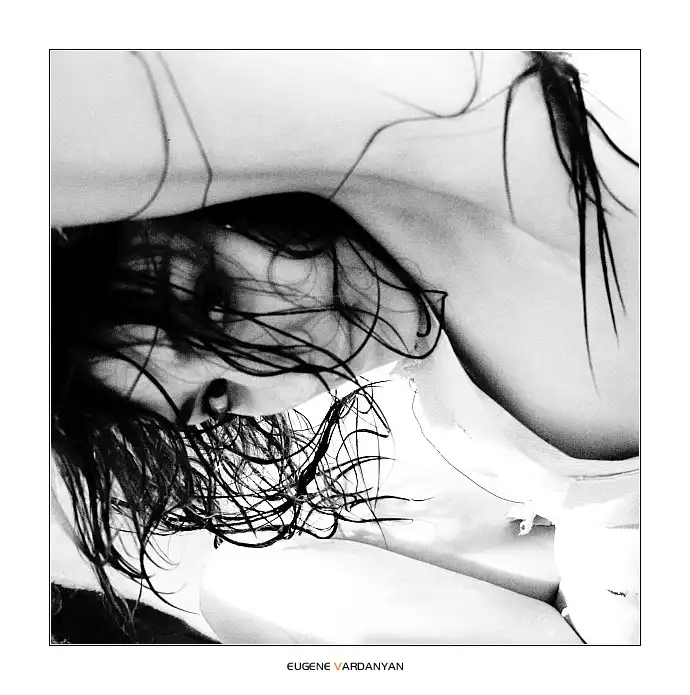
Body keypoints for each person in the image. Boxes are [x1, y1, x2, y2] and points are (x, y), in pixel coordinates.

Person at [50, 50, 639, 644]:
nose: (278, 367)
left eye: (214, 301)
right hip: (597, 604)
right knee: (241, 585)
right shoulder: (428, 349)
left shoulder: (483, 164)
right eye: (219, 397)